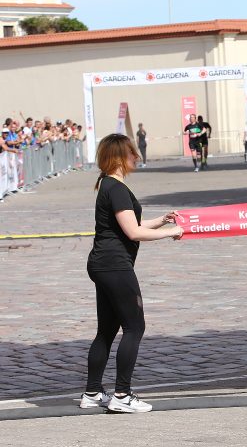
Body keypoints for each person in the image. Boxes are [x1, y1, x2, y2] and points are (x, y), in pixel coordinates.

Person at [80, 134, 183, 413]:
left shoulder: (109, 185)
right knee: (135, 327)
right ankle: (122, 396)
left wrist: (161, 220)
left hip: (103, 264)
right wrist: (170, 232)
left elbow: (131, 222)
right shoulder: (116, 188)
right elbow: (134, 232)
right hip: (114, 265)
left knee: (107, 330)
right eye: (131, 153)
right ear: (119, 157)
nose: (136, 157)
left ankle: (92, 392)